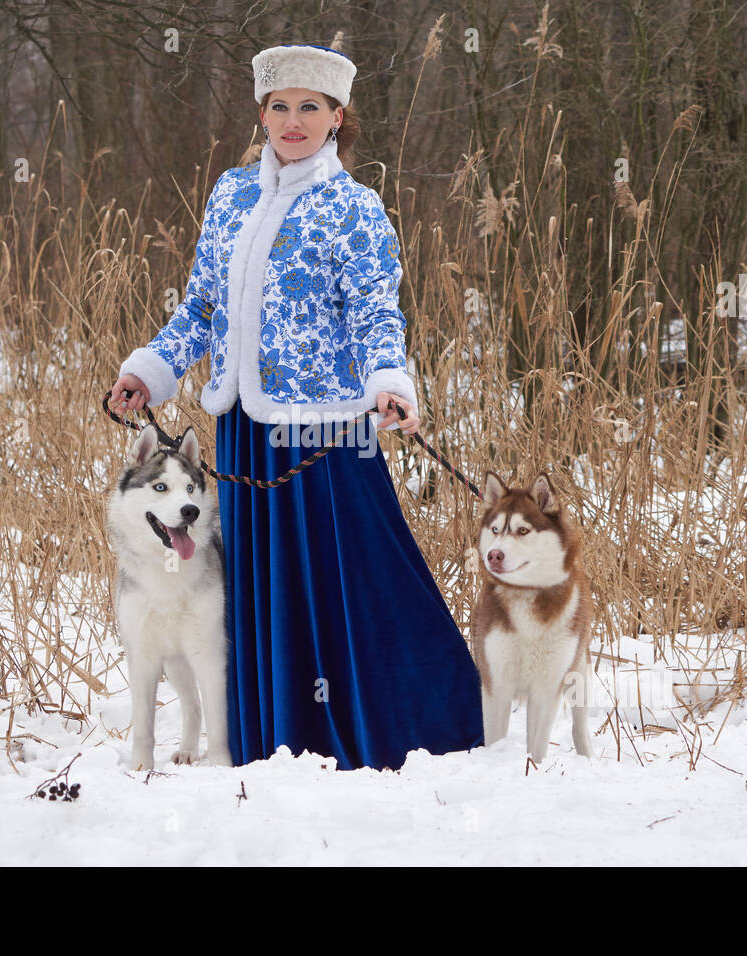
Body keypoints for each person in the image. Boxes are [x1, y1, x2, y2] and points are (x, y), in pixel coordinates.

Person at [108, 43, 483, 771]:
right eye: (280, 106)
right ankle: (268, 734)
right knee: (258, 585)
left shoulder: (354, 209)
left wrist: (389, 383)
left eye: (311, 107)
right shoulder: (231, 194)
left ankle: (412, 716)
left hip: (330, 433)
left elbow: (378, 313)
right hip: (245, 429)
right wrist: (150, 373)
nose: (293, 120)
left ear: (339, 117)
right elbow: (201, 308)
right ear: (262, 114)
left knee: (357, 577)